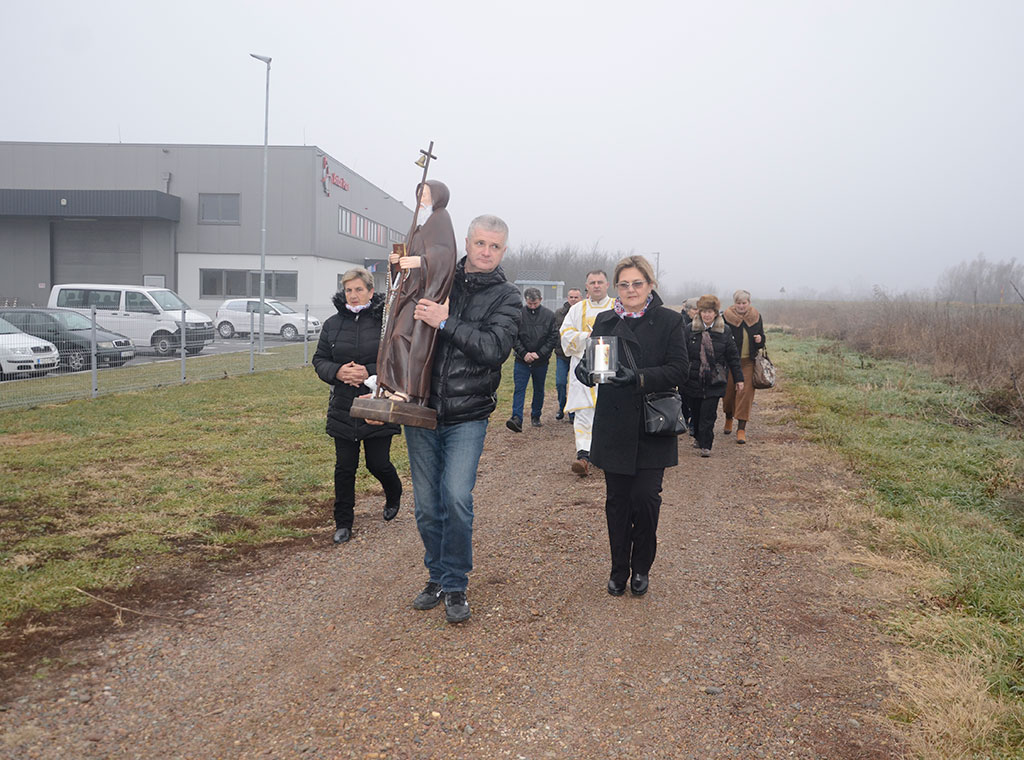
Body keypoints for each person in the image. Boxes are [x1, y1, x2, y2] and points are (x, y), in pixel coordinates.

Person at [404, 214, 521, 624]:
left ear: (503, 251)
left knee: (455, 497)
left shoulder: (508, 297)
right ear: (467, 243)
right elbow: (399, 318)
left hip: (468, 414)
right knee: (425, 505)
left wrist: (445, 321)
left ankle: (455, 583)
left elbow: (493, 349)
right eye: (480, 243)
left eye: (495, 246)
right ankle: (436, 576)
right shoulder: (437, 279)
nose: (486, 252)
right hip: (421, 407)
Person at [576, 255, 687, 597]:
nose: (631, 289)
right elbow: (593, 362)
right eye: (624, 284)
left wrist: (638, 377)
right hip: (614, 423)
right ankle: (618, 569)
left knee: (646, 499)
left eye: (637, 283)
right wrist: (584, 371)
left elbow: (679, 370)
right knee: (617, 501)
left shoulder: (669, 321)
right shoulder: (606, 320)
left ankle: (641, 567)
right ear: (616, 287)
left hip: (652, 423)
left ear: (650, 285)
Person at [312, 268, 403, 544]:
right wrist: (338, 371)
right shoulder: (332, 324)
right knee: (345, 467)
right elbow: (320, 359)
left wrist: (369, 372)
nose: (353, 295)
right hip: (343, 405)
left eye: (359, 289)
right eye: (348, 290)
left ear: (370, 291)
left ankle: (394, 492)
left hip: (376, 403)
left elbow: (397, 359)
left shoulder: (385, 322)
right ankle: (343, 522)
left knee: (378, 463)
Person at [376, 180, 457, 403]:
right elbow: (407, 254)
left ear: (437, 196)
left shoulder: (440, 219)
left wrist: (421, 261)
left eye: (426, 194)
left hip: (423, 293)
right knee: (394, 335)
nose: (421, 198)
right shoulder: (417, 224)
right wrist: (397, 260)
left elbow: (445, 255)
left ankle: (407, 388)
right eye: (419, 193)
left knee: (404, 336)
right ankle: (391, 384)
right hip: (408, 290)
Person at [560, 270, 614, 475]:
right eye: (592, 282)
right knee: (583, 412)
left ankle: (608, 455)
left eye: (600, 282)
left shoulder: (617, 307)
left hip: (610, 366)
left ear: (607, 284)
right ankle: (583, 456)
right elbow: (565, 334)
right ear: (587, 286)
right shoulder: (577, 309)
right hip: (583, 368)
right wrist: (587, 337)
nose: (596, 285)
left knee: (610, 411)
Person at [682, 294, 743, 457]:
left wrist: (739, 379)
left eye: (710, 312)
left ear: (716, 313)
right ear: (699, 312)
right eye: (704, 311)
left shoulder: (724, 331)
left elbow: (733, 356)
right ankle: (698, 436)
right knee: (696, 412)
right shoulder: (689, 329)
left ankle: (706, 444)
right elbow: (681, 354)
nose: (707, 315)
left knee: (708, 415)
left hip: (715, 379)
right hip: (693, 379)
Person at [507, 287, 558, 431]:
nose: (533, 306)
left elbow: (553, 337)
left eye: (535, 303)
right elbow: (513, 336)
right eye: (530, 304)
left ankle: (536, 415)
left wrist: (539, 354)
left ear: (541, 300)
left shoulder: (549, 315)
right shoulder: (518, 314)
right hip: (521, 360)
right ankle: (516, 418)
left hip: (540, 361)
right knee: (519, 389)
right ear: (526, 301)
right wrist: (524, 353)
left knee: (539, 389)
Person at [722, 289, 766, 444]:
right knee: (728, 395)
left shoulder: (756, 317)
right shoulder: (726, 317)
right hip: (730, 363)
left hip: (748, 362)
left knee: (745, 394)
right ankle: (728, 417)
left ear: (749, 303)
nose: (741, 306)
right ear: (734, 303)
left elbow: (762, 339)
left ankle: (741, 429)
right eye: (738, 303)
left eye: (744, 303)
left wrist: (760, 339)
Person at [552, 287, 582, 420]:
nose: (573, 299)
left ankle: (573, 411)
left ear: (580, 298)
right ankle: (562, 406)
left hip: (577, 354)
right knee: (560, 382)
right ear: (567, 298)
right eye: (571, 297)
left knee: (576, 384)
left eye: (576, 297)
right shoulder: (558, 313)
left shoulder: (583, 313)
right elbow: (554, 332)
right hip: (562, 355)